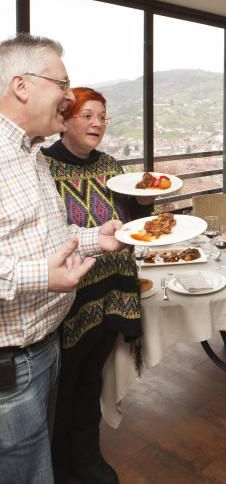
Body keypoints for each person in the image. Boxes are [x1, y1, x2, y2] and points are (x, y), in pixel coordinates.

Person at [0, 34, 124, 484]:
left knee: (48, 457)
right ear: (22, 86)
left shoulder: (31, 157)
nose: (69, 97)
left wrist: (96, 238)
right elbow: (38, 264)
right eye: (62, 84)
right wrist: (43, 277)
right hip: (11, 368)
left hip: (46, 347)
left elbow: (52, 236)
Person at [42, 87, 153, 484]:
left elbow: (129, 217)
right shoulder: (45, 167)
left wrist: (147, 200)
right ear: (65, 119)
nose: (98, 124)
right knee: (61, 390)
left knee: (91, 384)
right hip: (70, 297)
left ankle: (87, 459)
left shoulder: (110, 164)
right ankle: (58, 466)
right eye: (88, 115)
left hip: (111, 295)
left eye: (103, 117)